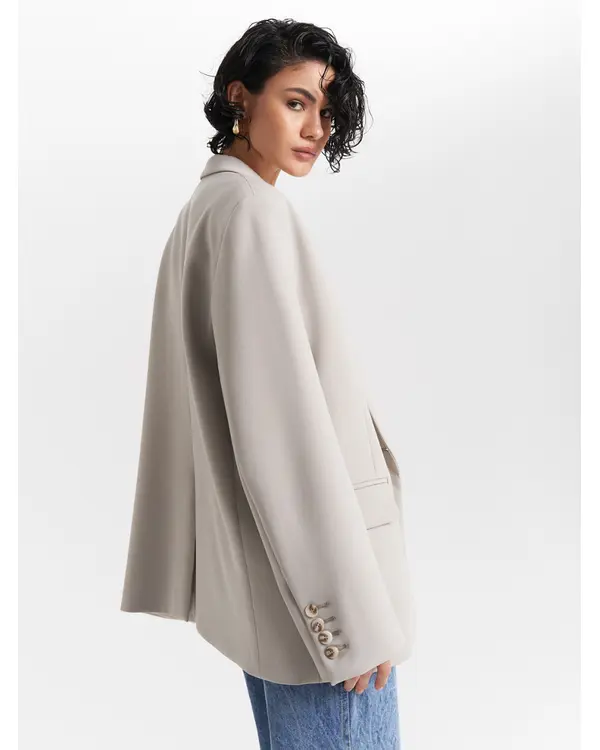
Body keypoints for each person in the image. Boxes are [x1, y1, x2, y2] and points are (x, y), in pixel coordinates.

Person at [120, 17, 415, 749]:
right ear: (239, 98)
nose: (317, 127)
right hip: (325, 613)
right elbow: (281, 440)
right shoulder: (249, 212)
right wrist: (349, 621)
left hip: (280, 593)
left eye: (327, 109)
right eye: (295, 101)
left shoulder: (210, 207)